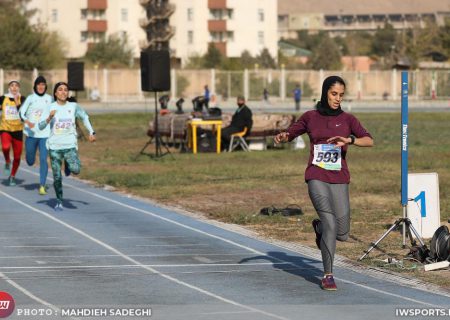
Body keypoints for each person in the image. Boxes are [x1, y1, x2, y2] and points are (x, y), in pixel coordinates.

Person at [274, 76, 373, 291]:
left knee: (342, 233)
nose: (337, 99)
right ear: (325, 93)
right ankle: (328, 274)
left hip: (339, 178)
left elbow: (369, 139)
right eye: (333, 94)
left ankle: (319, 229)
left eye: (341, 95)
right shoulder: (311, 116)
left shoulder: (348, 119)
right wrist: (284, 136)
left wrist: (350, 140)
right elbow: (293, 131)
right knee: (330, 223)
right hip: (316, 176)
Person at [38, 82, 96, 211]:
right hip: (54, 147)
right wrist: (48, 118)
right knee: (57, 176)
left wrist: (91, 132)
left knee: (76, 170)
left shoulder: (74, 106)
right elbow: (40, 126)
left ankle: (69, 165)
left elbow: (85, 117)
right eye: (60, 90)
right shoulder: (50, 107)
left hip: (70, 145)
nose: (63, 92)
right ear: (55, 93)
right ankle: (59, 200)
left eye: (65, 90)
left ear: (68, 93)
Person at [20, 76, 53, 195]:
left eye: (43, 84)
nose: (41, 87)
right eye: (39, 84)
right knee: (30, 161)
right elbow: (21, 112)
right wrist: (27, 121)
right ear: (35, 86)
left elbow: (56, 112)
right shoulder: (30, 98)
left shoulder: (50, 99)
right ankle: (29, 158)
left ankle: (42, 185)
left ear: (45, 86)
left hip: (45, 134)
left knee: (44, 159)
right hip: (31, 134)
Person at [0, 80, 26, 186]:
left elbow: (24, 113)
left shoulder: (23, 99)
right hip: (5, 128)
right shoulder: (2, 98)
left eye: (16, 86)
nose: (14, 88)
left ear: (19, 88)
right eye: (12, 86)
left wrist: (17, 102)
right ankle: (7, 161)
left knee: (17, 157)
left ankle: (12, 176)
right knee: (5, 147)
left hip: (18, 130)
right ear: (9, 88)